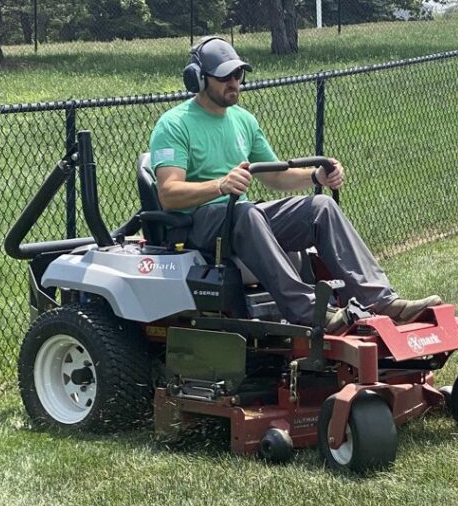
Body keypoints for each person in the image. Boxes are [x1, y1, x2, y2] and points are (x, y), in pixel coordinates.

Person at [149, 36, 441, 330]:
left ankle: (381, 301)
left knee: (321, 206)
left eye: (238, 74)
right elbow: (169, 194)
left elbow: (275, 175)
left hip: (241, 215)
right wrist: (221, 186)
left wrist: (316, 176)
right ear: (198, 79)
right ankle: (309, 311)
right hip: (199, 225)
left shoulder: (243, 120)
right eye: (225, 76)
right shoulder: (175, 124)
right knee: (246, 212)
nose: (234, 83)